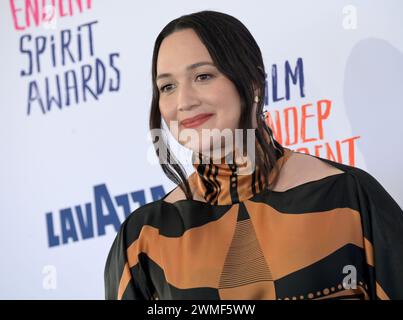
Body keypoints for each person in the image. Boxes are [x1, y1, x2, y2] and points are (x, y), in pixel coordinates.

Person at [104, 10, 403, 300]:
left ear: (253, 83)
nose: (183, 101)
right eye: (167, 86)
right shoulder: (143, 240)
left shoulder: (348, 196)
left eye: (203, 76)